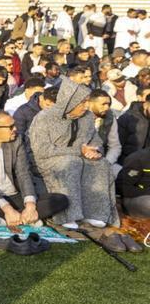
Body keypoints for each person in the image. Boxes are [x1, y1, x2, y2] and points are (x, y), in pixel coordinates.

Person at [28, 79, 118, 229]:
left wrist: (93, 150)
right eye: (82, 103)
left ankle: (95, 213)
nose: (86, 106)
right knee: (70, 163)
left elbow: (96, 140)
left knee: (100, 164)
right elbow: (42, 150)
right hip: (47, 160)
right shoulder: (45, 117)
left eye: (86, 102)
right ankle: (67, 215)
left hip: (78, 156)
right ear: (69, 101)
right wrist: (79, 151)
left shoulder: (87, 117)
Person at [0, 110, 69, 227]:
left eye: (15, 125)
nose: (15, 129)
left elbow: (23, 173)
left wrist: (30, 205)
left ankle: (7, 220)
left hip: (14, 195)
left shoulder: (16, 141)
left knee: (61, 200)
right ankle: (23, 218)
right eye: (11, 126)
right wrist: (7, 208)